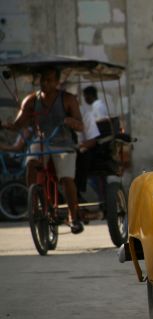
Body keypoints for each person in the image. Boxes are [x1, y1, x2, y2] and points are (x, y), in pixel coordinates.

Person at [0, 67, 85, 233]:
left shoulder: (68, 99)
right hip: (41, 141)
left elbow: (81, 126)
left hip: (63, 143)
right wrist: (4, 125)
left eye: (50, 80)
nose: (45, 83)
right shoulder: (31, 100)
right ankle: (35, 201)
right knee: (31, 162)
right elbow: (18, 125)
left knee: (67, 179)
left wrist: (70, 121)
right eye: (43, 80)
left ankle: (73, 216)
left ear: (57, 82)